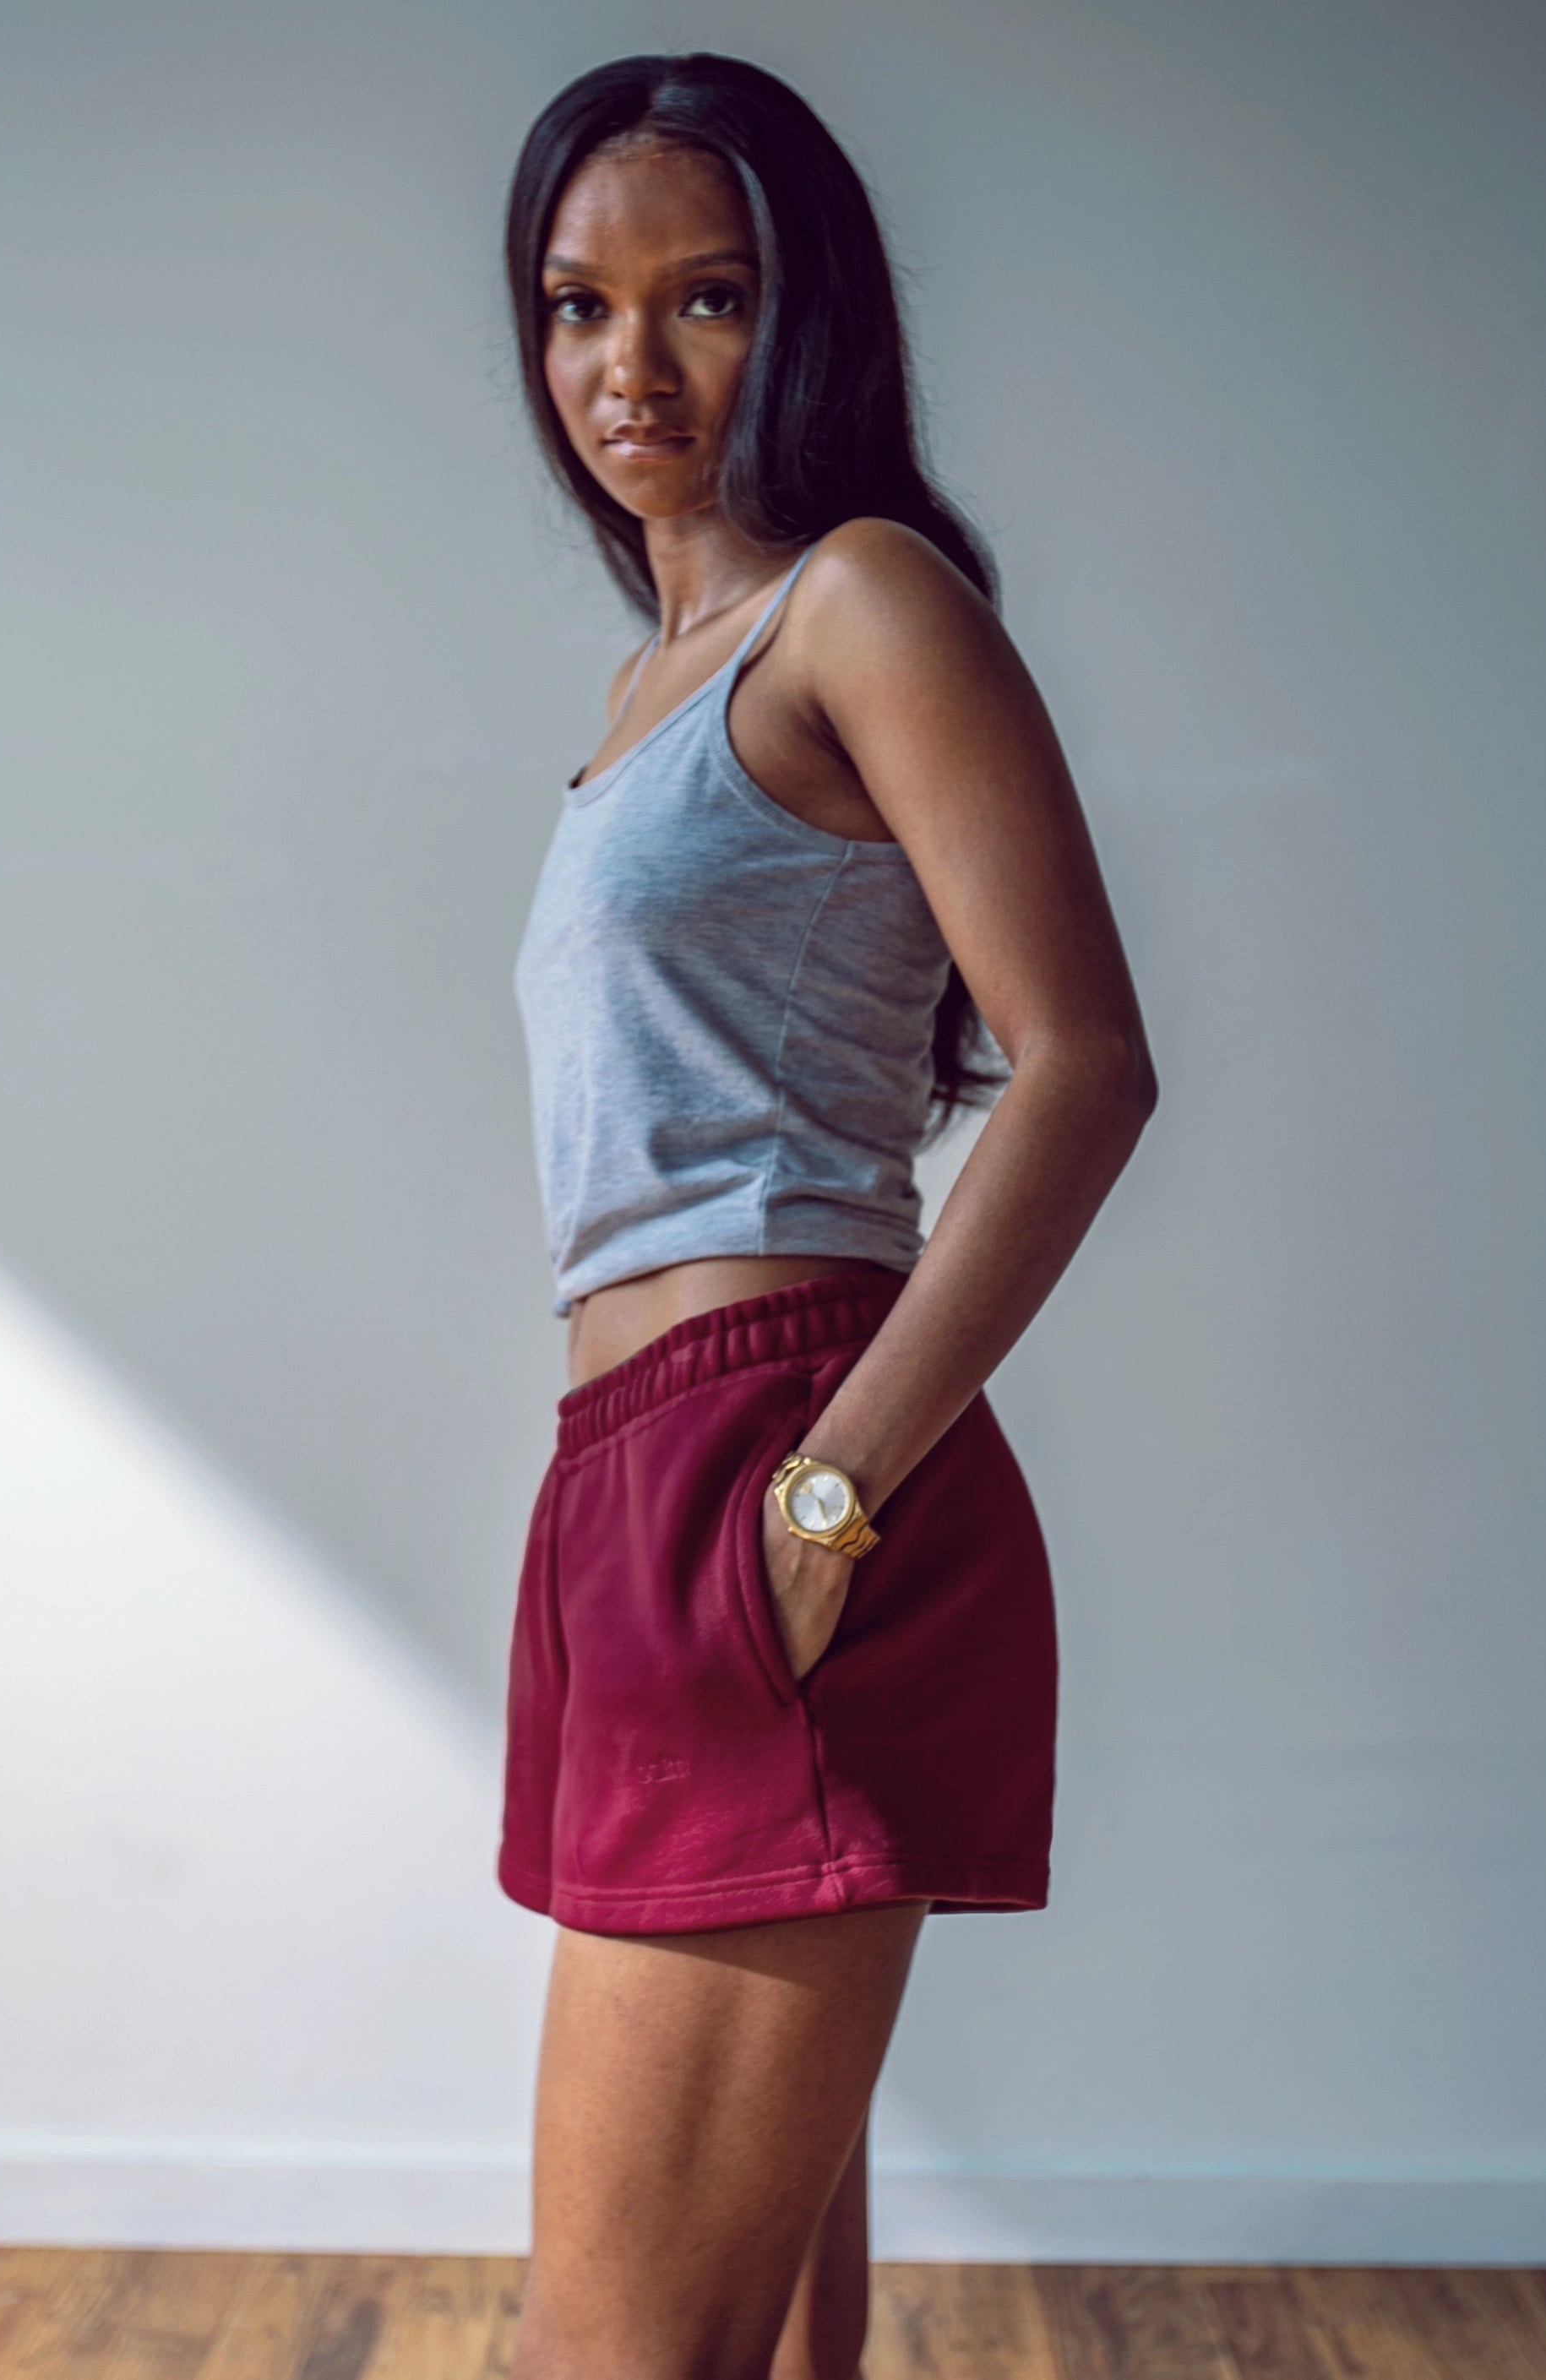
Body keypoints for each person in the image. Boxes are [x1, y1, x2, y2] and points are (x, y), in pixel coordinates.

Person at [496, 51, 1157, 2380]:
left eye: (706, 297)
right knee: (755, 2335)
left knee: (601, 2347)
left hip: (774, 1448)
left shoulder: (859, 603)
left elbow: (1081, 1058)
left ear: (813, 321)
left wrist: (826, 1483)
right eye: (579, 304)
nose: (626, 365)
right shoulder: (642, 689)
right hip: (635, 1481)